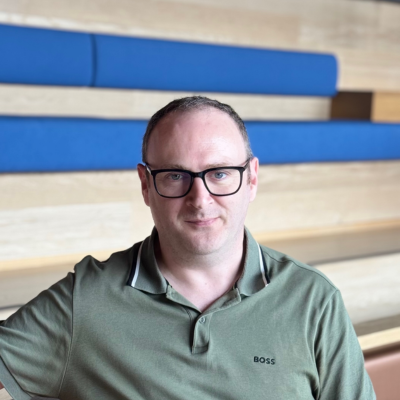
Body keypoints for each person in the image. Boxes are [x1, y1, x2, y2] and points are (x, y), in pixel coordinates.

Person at [0, 96, 375, 399]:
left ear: (252, 179)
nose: (200, 198)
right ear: (146, 185)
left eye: (220, 173)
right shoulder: (86, 298)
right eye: (176, 175)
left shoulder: (312, 299)